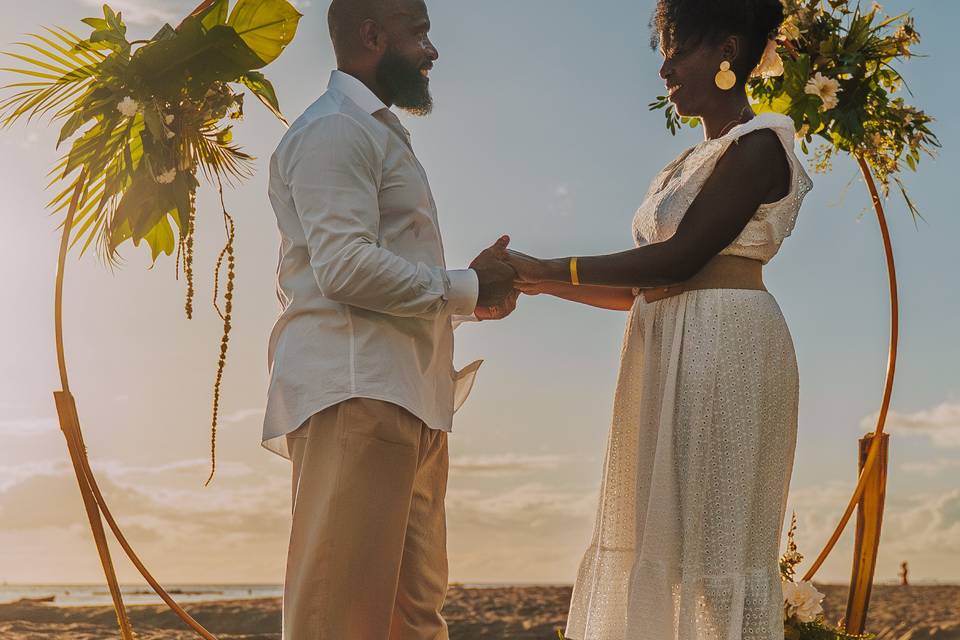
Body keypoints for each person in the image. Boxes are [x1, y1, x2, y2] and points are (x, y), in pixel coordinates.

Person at [506, 0, 812, 638]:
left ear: (726, 50)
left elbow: (679, 259)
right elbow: (645, 288)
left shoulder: (761, 145)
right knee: (661, 545)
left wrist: (548, 265)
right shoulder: (682, 165)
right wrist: (536, 281)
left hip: (724, 348)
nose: (664, 68)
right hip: (663, 347)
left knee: (716, 548)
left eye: (677, 49)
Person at [261, 0, 517, 637]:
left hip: (413, 397)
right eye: (420, 33)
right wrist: (464, 285)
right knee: (338, 617)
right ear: (371, 35)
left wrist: (473, 292)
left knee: (415, 620)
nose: (433, 51)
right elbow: (345, 268)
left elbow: (385, 268)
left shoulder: (374, 132)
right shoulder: (335, 131)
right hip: (357, 392)